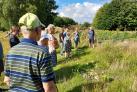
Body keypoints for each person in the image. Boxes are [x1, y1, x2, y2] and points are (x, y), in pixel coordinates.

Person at [4, 13, 57, 92]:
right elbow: (49, 89)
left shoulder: (11, 52)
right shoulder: (42, 53)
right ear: (36, 30)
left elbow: (7, 80)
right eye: (40, 27)